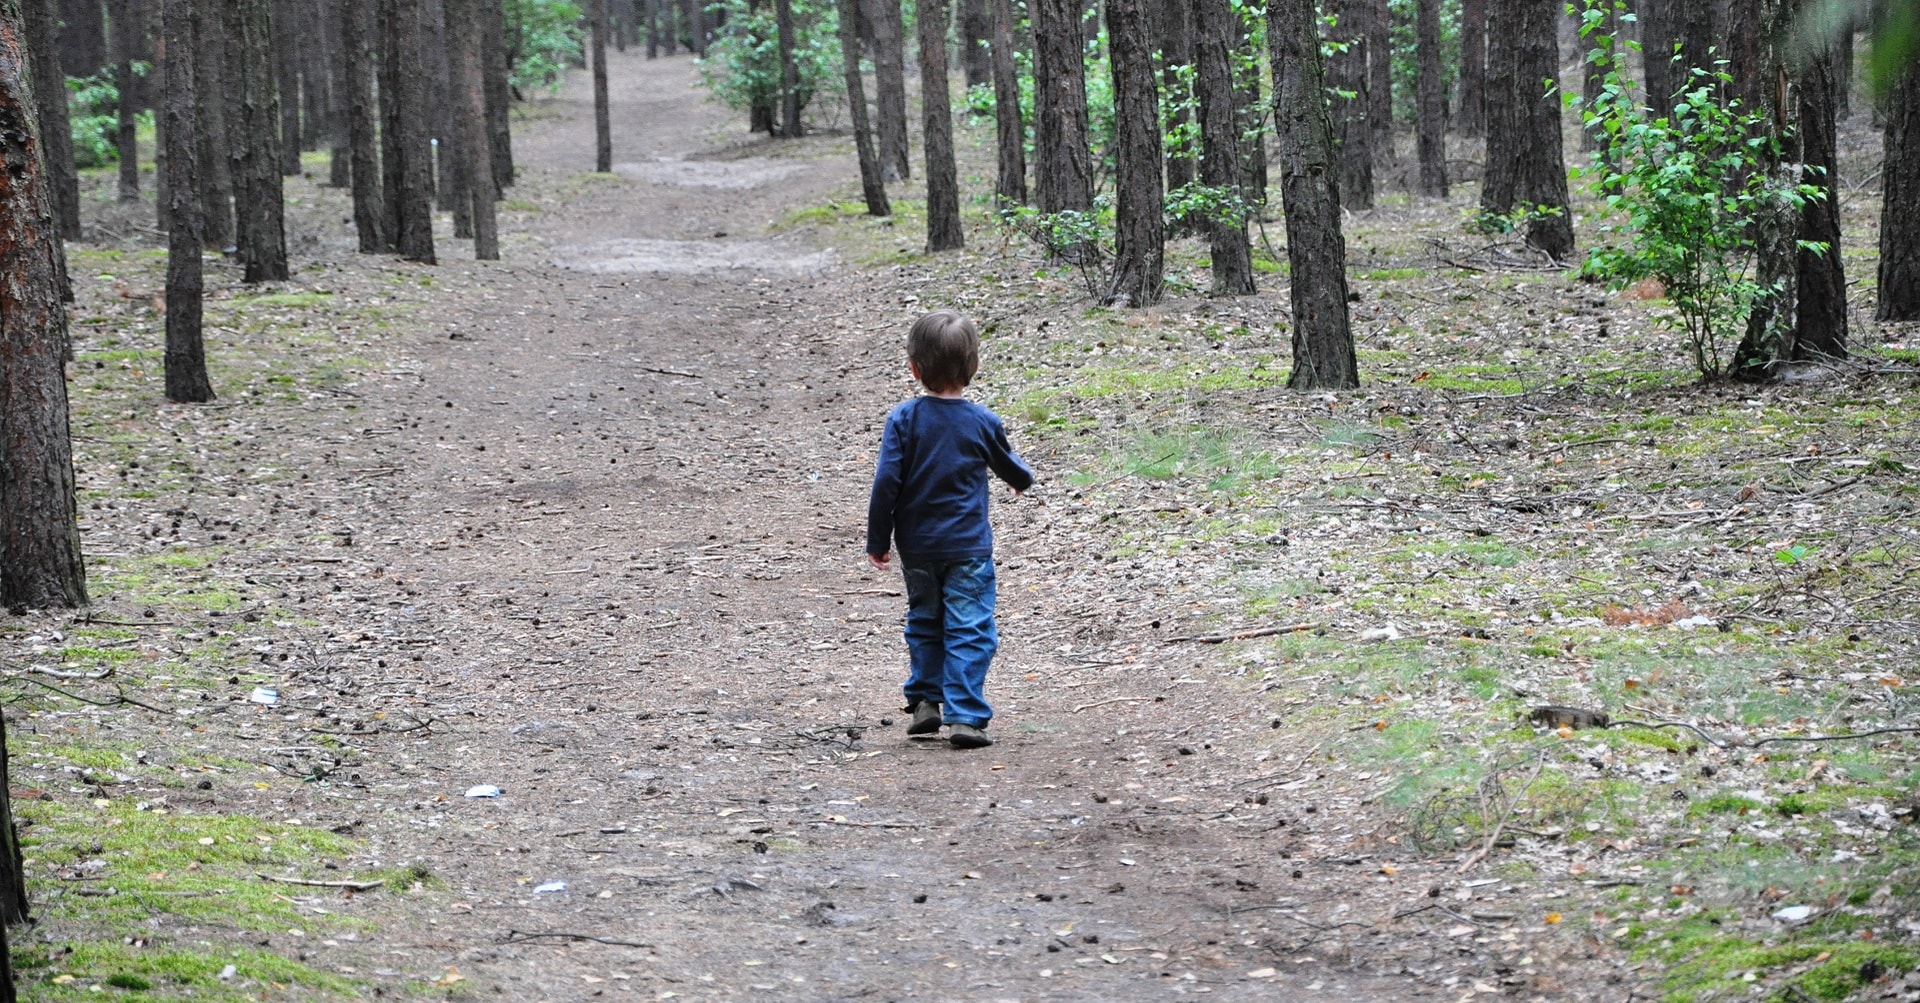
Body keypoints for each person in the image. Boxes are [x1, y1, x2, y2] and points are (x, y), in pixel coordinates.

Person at [866, 311, 1035, 749]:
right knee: (970, 625)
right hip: (967, 549)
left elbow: (887, 481)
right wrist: (1022, 480)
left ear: (914, 369)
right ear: (972, 366)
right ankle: (965, 715)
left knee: (924, 620)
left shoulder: (904, 419)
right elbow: (1007, 463)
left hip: (917, 548)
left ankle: (925, 699)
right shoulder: (981, 421)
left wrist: (878, 539)